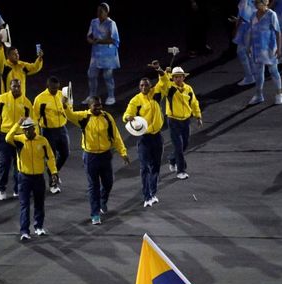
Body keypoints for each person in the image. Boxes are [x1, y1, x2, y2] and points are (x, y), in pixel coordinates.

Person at [64, 96, 129, 225]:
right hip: (90, 157)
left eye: (100, 105)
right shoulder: (83, 117)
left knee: (108, 182)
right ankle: (95, 214)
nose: (99, 108)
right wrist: (65, 106)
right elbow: (70, 115)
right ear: (89, 106)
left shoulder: (107, 117)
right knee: (94, 186)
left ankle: (102, 201)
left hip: (105, 155)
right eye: (95, 106)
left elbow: (115, 136)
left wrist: (123, 152)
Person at [122, 61, 168, 207]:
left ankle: (153, 193)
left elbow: (164, 80)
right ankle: (146, 195)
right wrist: (127, 117)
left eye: (146, 85)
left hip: (157, 137)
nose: (143, 87)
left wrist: (159, 70)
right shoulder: (136, 100)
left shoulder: (156, 93)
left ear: (150, 86)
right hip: (144, 138)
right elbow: (127, 113)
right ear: (139, 87)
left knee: (156, 166)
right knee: (144, 168)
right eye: (141, 85)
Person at [6, 117, 58, 241]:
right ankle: (24, 231)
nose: (26, 132)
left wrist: (54, 172)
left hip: (39, 178)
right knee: (24, 205)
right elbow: (8, 138)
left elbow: (50, 157)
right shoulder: (19, 140)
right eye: (24, 130)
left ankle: (39, 227)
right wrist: (17, 124)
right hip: (24, 178)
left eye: (28, 129)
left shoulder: (42, 141)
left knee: (39, 204)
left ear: (33, 128)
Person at [33, 76, 70, 194]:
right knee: (51, 157)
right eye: (53, 89)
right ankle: (52, 183)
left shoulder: (61, 95)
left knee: (65, 154)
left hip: (62, 129)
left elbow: (68, 110)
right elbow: (35, 117)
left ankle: (54, 173)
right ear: (47, 87)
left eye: (57, 88)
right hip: (48, 131)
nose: (55, 90)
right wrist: (36, 133)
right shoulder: (40, 99)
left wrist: (65, 105)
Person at [164, 66, 202, 180]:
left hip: (185, 121)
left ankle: (172, 159)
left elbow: (194, 103)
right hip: (173, 121)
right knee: (179, 146)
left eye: (180, 77)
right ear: (172, 78)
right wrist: (165, 72)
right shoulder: (169, 88)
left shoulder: (188, 89)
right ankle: (181, 170)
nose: (178, 79)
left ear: (183, 77)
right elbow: (163, 83)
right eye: (175, 77)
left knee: (184, 144)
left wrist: (198, 116)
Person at [247, 0, 282, 106]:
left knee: (273, 71)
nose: (256, 3)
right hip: (257, 49)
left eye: (258, 2)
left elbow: (278, 32)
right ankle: (259, 95)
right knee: (258, 73)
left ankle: (279, 94)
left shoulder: (271, 14)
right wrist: (249, 45)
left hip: (269, 48)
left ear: (265, 2)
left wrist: (279, 48)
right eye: (255, 2)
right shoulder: (253, 15)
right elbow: (251, 31)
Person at [83, 3, 120, 106]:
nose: (99, 13)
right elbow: (89, 35)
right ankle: (92, 95)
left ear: (106, 12)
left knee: (107, 76)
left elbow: (114, 40)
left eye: (101, 11)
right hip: (96, 54)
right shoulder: (93, 22)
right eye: (98, 11)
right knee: (91, 75)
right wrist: (90, 40)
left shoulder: (111, 23)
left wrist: (99, 41)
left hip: (108, 54)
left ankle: (111, 96)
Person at [229, 0, 257, 85]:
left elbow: (244, 17)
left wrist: (235, 29)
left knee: (242, 52)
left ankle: (249, 77)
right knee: (249, 52)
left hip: (246, 28)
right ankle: (254, 75)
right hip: (251, 26)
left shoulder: (244, 1)